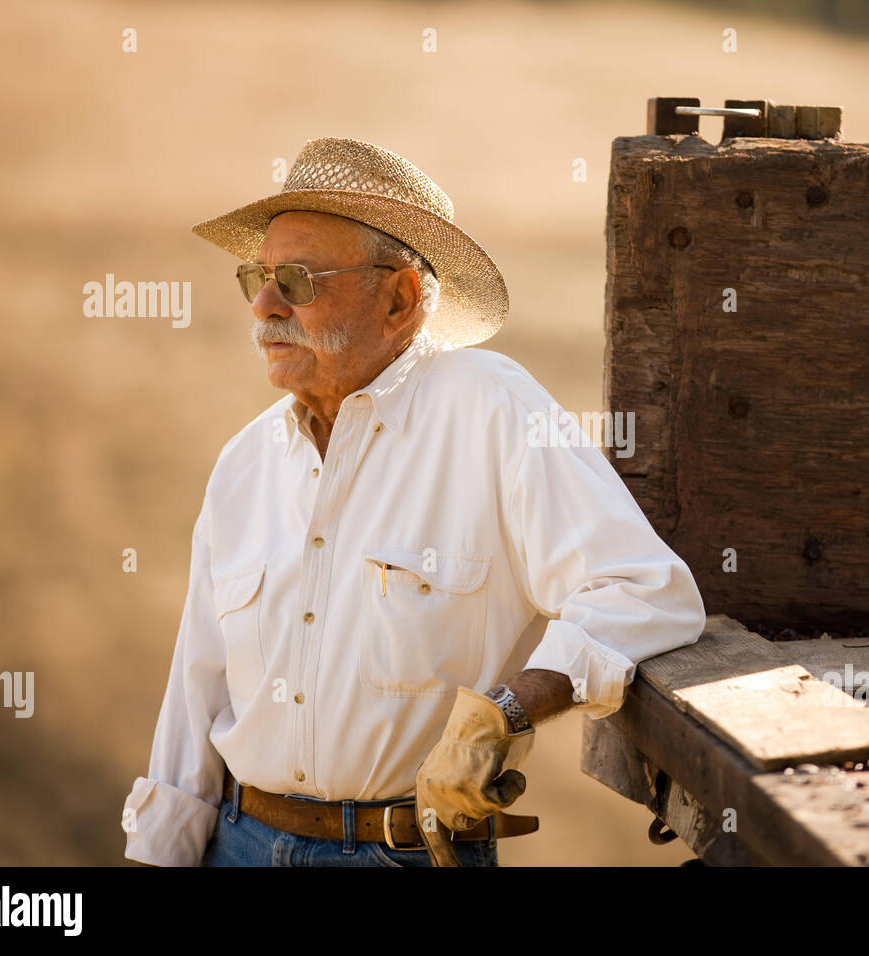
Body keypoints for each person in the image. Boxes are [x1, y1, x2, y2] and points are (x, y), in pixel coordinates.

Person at [122, 137, 705, 867]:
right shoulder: (244, 463)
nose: (265, 307)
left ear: (398, 298)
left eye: (297, 281)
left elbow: (644, 591)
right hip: (233, 844)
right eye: (257, 278)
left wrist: (505, 712)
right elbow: (195, 690)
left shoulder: (492, 408)